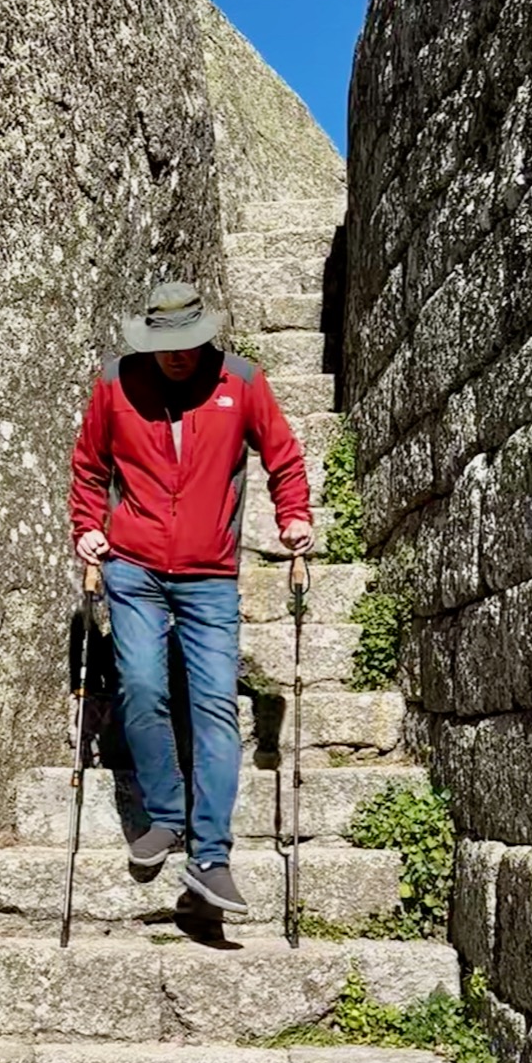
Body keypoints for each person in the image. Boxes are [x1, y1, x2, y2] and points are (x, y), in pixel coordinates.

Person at [67, 280, 314, 919]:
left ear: (207, 336)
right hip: (134, 568)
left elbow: (284, 459)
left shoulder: (243, 382)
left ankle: (211, 855)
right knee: (143, 687)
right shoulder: (115, 383)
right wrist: (88, 525)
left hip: (210, 575)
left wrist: (294, 516)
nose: (177, 356)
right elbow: (90, 466)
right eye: (165, 346)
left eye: (188, 344)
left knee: (211, 706)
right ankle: (165, 814)